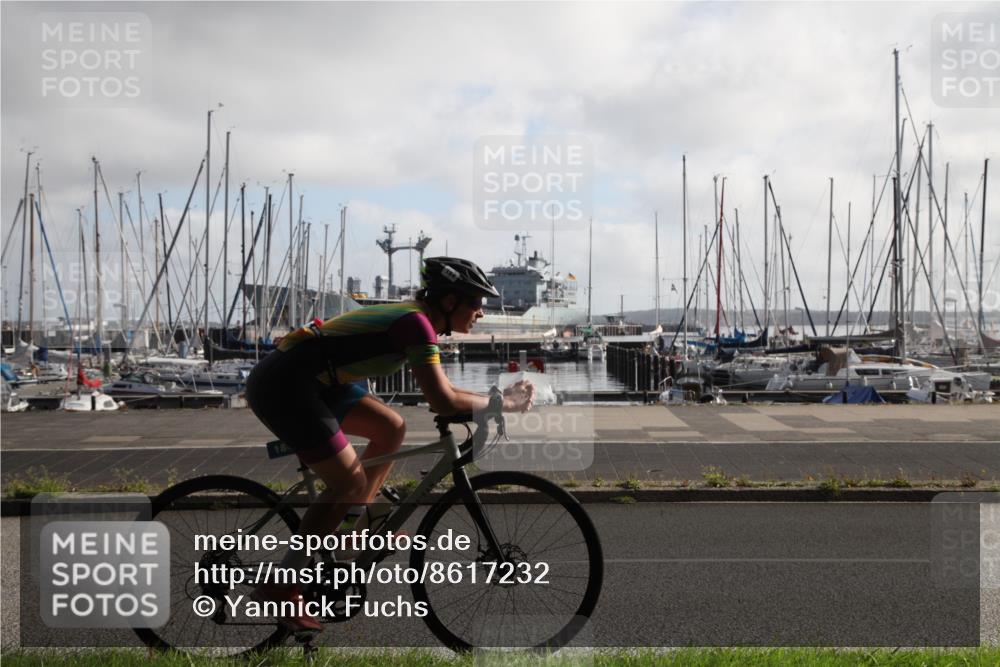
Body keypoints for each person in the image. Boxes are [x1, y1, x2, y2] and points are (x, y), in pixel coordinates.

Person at [245, 256, 534, 632]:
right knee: (346, 481)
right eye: (476, 302)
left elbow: (445, 392)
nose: (481, 312)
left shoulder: (417, 320)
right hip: (285, 385)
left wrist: (493, 399)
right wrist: (504, 404)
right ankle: (280, 585)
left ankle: (358, 523)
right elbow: (443, 402)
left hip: (318, 380)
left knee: (391, 428)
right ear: (449, 302)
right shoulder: (414, 324)